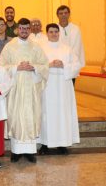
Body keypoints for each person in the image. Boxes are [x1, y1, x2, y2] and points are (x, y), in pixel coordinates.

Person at [0, 18, 49, 163]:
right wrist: (16, 67)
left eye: (27, 28)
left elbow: (45, 65)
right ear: (17, 29)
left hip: (32, 89)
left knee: (30, 117)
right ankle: (16, 152)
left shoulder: (36, 47)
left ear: (30, 30)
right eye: (22, 28)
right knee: (16, 117)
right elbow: (1, 67)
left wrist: (34, 67)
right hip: (16, 89)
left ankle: (30, 151)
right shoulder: (10, 46)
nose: (24, 31)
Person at [38, 24, 82, 155]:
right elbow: (37, 66)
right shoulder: (41, 49)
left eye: (56, 32)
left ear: (59, 33)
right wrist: (49, 65)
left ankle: (62, 144)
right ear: (47, 33)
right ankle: (45, 144)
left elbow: (77, 65)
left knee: (62, 115)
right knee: (46, 115)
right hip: (47, 87)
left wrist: (64, 65)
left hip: (63, 88)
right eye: (51, 32)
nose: (54, 34)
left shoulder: (67, 49)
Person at [56, 5, 85, 84]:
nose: (63, 15)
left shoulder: (75, 29)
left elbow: (77, 47)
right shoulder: (55, 29)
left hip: (71, 65)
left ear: (69, 14)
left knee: (70, 89)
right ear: (57, 15)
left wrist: (68, 63)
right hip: (58, 65)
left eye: (65, 13)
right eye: (61, 13)